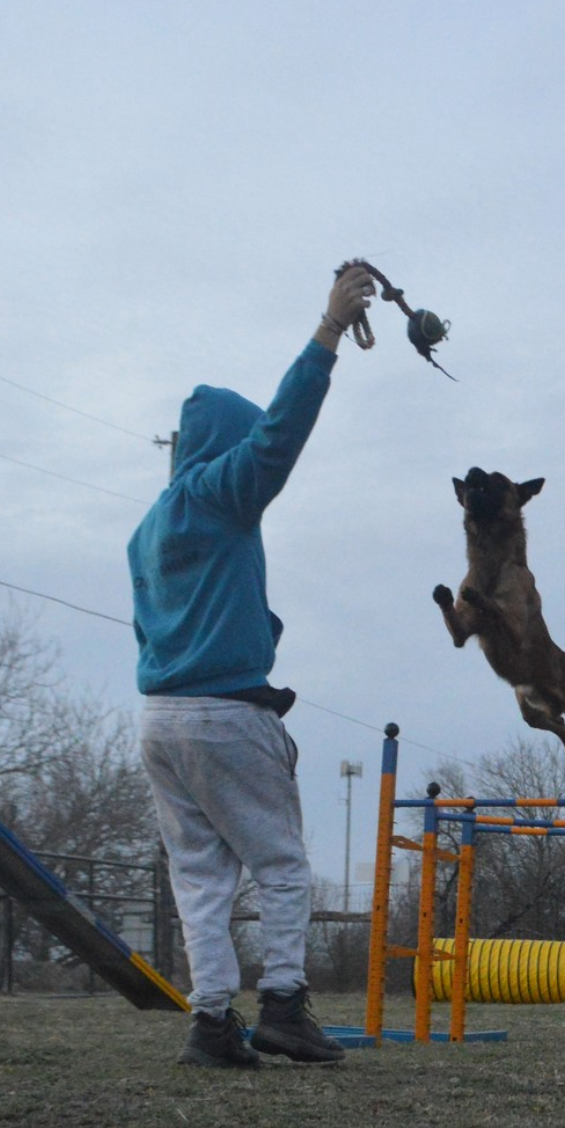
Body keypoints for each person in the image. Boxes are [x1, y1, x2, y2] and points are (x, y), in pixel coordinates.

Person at [129, 262, 377, 1069]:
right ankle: (282, 1006)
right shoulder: (221, 491)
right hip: (226, 713)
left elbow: (178, 619)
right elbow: (279, 435)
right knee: (280, 864)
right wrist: (329, 331)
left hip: (158, 720)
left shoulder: (149, 528)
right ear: (224, 446)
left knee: (200, 878)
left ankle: (210, 1024)